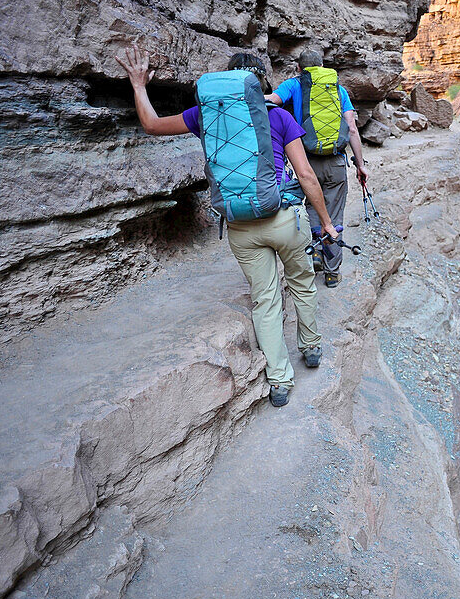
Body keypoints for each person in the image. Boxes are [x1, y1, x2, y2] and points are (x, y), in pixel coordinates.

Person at [115, 46, 340, 408]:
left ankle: (280, 382)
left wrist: (139, 85)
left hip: (240, 226)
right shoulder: (279, 117)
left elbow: (152, 126)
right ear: (260, 82)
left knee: (265, 301)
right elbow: (307, 176)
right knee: (301, 283)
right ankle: (310, 348)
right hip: (284, 218)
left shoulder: (205, 115)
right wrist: (326, 224)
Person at [266, 49, 369, 288]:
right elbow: (352, 129)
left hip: (307, 159)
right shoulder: (337, 89)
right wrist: (360, 165)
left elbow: (272, 101)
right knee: (333, 214)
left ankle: (315, 253)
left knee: (312, 204)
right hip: (336, 161)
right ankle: (332, 272)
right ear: (322, 67)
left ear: (300, 69)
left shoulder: (293, 85)